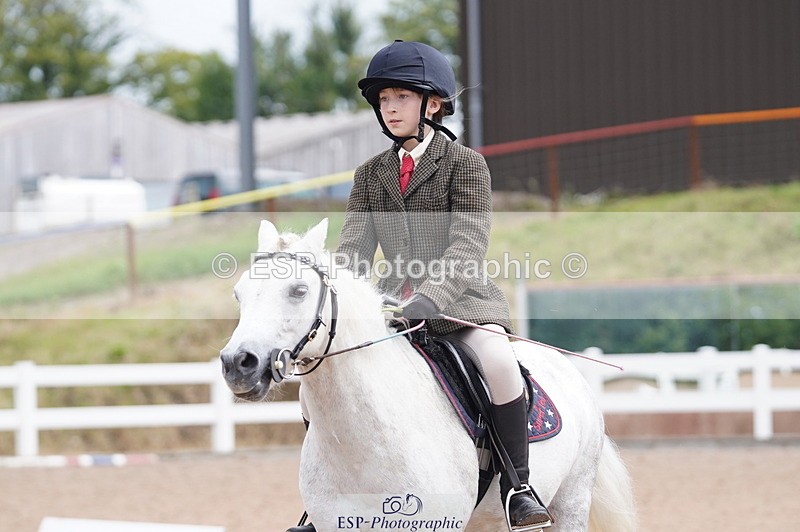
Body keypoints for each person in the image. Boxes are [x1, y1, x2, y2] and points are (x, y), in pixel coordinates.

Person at [288, 40, 551, 532]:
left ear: (433, 104)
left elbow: (468, 244)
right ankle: (324, 496)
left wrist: (430, 298)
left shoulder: (466, 165)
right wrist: (344, 300)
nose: (389, 108)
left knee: (498, 363)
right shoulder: (370, 175)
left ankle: (518, 486)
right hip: (392, 311)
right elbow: (352, 254)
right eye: (383, 100)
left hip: (461, 305)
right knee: (315, 387)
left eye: (401, 98)